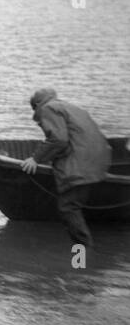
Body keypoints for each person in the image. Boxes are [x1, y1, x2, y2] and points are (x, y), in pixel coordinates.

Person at [20, 88, 112, 247]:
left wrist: (36, 159)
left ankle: (82, 258)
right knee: (74, 205)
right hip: (99, 162)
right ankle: (82, 260)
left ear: (36, 106)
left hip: (81, 165)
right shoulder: (71, 107)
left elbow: (58, 139)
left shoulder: (47, 108)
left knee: (68, 207)